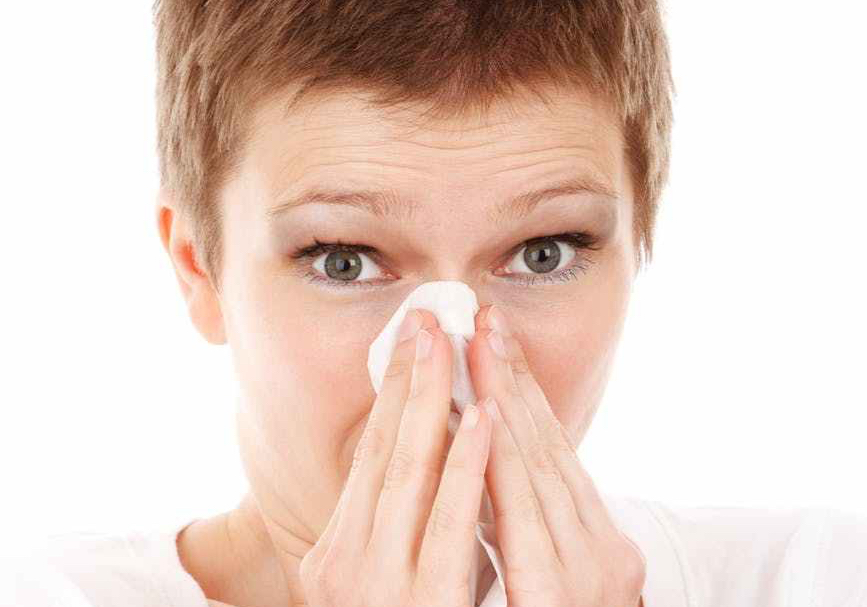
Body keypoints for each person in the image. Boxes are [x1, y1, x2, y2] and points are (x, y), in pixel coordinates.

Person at [6, 1, 867, 606]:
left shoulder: (816, 580)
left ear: (639, 241)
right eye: (343, 261)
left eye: (543, 252)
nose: (452, 361)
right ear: (200, 270)